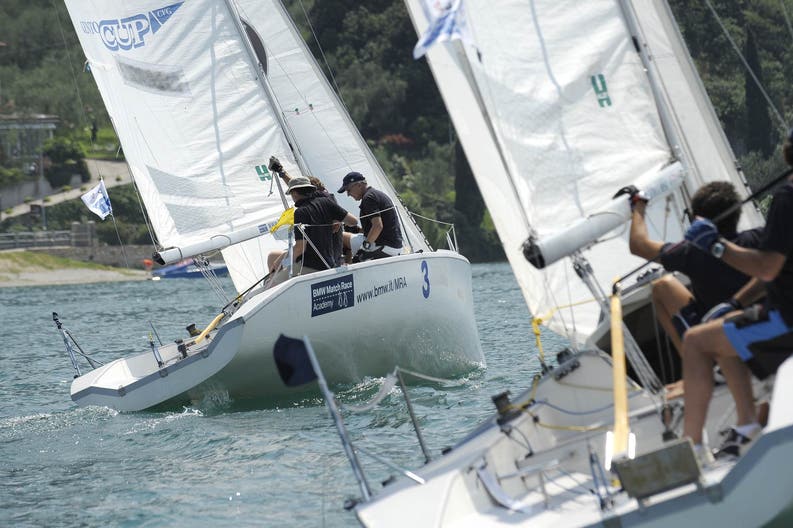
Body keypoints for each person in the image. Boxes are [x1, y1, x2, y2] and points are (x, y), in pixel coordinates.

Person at [680, 133, 793, 460]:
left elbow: (769, 267)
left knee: (695, 342)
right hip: (778, 313)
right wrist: (735, 303)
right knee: (723, 330)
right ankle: (746, 422)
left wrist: (717, 247)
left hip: (785, 323)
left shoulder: (787, 200)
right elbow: (774, 269)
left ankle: (692, 450)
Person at [620, 182, 763, 354]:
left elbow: (638, 245)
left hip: (722, 337)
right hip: (762, 328)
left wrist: (639, 204)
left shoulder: (691, 254)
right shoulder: (759, 238)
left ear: (697, 221)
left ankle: (694, 360)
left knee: (661, 287)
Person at [267, 176, 358, 288]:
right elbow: (353, 221)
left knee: (271, 285)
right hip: (329, 264)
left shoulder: (300, 212)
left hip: (310, 266)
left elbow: (300, 248)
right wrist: (337, 219)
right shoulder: (327, 202)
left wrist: (280, 264)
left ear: (294, 193)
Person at [268, 156, 346, 266]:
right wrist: (281, 172)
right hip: (330, 258)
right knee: (277, 256)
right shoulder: (327, 201)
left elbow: (296, 187)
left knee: (273, 258)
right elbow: (295, 187)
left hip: (323, 260)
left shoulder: (320, 202)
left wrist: (282, 263)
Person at [337, 171, 403, 261]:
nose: (348, 194)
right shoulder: (377, 194)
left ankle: (346, 268)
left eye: (348, 190)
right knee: (349, 236)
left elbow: (378, 226)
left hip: (383, 247)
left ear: (359, 185)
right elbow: (380, 227)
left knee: (341, 236)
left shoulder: (368, 198)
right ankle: (350, 265)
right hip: (395, 247)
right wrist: (357, 230)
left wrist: (363, 249)